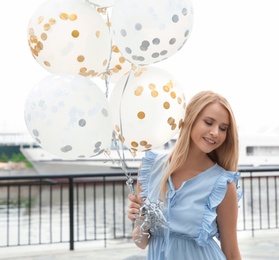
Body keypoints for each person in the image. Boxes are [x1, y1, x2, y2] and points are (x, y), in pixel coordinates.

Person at [127, 90, 242, 260]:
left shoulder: (222, 184)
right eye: (209, 122)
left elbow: (231, 251)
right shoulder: (149, 169)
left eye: (223, 128)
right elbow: (142, 243)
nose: (215, 132)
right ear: (190, 119)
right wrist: (139, 220)